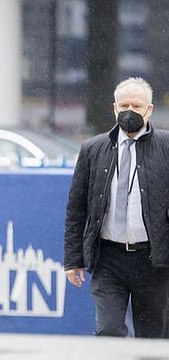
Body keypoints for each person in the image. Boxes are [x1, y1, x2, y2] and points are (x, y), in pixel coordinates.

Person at [64, 77, 169, 338]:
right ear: (114, 108)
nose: (129, 110)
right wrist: (72, 260)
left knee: (152, 338)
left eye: (136, 104)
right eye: (124, 104)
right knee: (108, 331)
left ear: (149, 110)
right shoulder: (93, 148)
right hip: (108, 258)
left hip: (154, 260)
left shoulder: (166, 147)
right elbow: (77, 208)